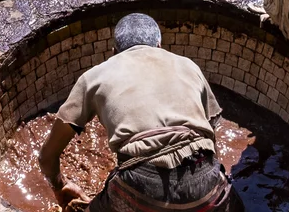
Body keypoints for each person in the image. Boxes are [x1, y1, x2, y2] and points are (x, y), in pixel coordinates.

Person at [40, 14, 231, 211]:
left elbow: (47, 156)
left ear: (114, 52)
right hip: (206, 182)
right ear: (159, 46)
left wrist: (60, 185)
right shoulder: (188, 65)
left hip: (140, 187)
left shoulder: (94, 77)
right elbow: (212, 136)